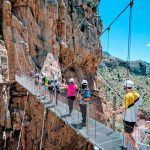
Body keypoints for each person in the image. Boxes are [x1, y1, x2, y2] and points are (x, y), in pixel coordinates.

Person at [112, 80, 142, 150]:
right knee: (127, 133)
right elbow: (138, 106)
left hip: (128, 119)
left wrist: (115, 112)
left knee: (128, 135)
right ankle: (125, 146)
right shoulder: (138, 95)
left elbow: (124, 108)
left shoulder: (127, 96)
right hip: (133, 119)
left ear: (125, 87)